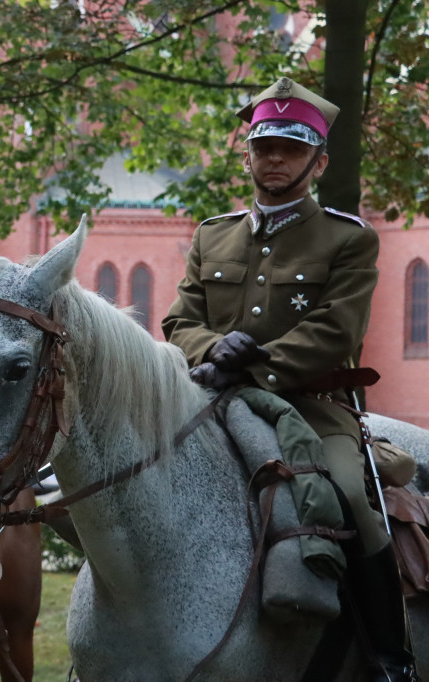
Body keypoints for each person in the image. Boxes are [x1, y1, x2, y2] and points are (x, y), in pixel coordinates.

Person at [162, 77, 417, 682]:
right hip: (211, 400)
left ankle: (389, 656)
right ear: (247, 154)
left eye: (292, 149)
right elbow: (178, 321)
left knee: (353, 500)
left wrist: (245, 359)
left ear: (319, 160)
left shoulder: (348, 238)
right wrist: (210, 346)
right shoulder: (211, 234)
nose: (275, 159)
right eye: (265, 147)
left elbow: (336, 331)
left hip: (310, 406)